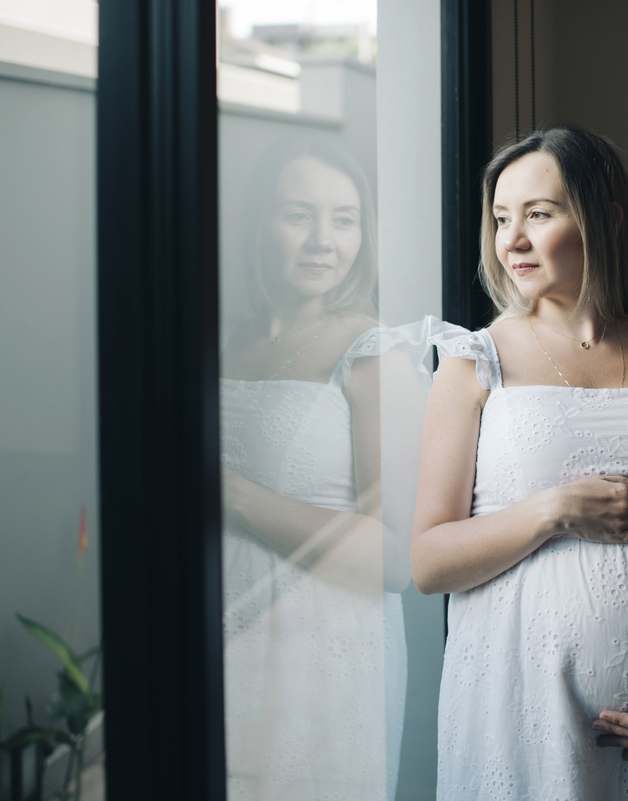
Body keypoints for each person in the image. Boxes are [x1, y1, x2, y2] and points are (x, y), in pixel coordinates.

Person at [413, 125, 628, 800]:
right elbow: (429, 561)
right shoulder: (472, 361)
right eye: (501, 218)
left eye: (538, 215)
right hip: (522, 719)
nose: (510, 239)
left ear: (606, 219)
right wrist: (557, 510)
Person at [219, 137, 426, 801]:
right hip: (222, 638)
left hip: (319, 655)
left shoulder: (376, 353)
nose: (321, 241)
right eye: (297, 215)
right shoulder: (228, 340)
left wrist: (238, 499)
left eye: (343, 220)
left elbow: (399, 558)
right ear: (258, 223)